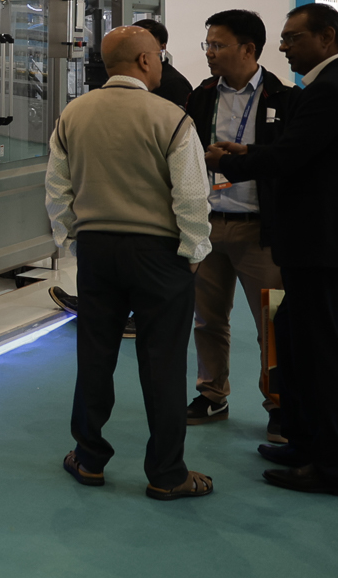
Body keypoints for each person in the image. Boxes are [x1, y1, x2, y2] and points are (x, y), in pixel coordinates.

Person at [208, 3, 338, 498]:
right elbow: (311, 153)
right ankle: (304, 442)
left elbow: (291, 157)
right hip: (333, 236)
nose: (283, 46)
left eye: (293, 37)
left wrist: (229, 161)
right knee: (291, 332)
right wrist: (250, 153)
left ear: (326, 37)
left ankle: (332, 467)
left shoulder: (330, 90)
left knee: (317, 351)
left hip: (322, 241)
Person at [44, 25, 214, 501]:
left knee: (94, 356)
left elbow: (57, 188)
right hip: (159, 254)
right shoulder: (171, 118)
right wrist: (194, 252)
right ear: (144, 61)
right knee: (163, 364)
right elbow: (192, 196)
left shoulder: (74, 114)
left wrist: (75, 240)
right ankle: (167, 473)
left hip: (97, 250)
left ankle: (88, 458)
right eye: (159, 55)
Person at [183, 9, 296, 443]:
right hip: (207, 224)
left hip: (259, 230)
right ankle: (212, 394)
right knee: (207, 320)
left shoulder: (283, 99)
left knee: (273, 322)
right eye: (207, 44)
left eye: (218, 45)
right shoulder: (201, 96)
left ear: (248, 49)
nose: (209, 53)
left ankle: (280, 404)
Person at [133, 18, 194, 107]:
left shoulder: (175, 83)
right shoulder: (133, 75)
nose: (137, 47)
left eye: (145, 42)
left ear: (162, 47)